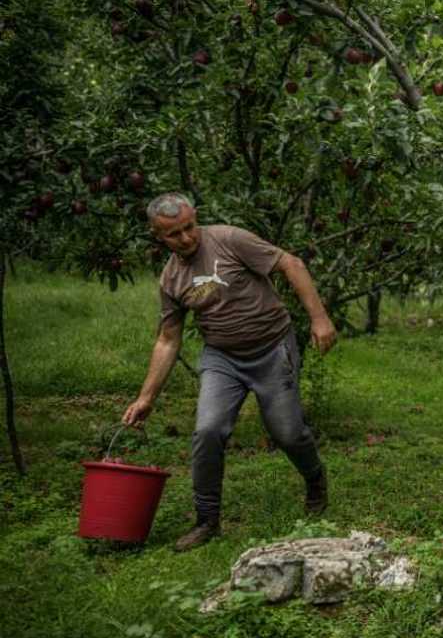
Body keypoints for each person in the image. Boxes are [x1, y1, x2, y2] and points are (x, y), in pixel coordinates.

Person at [121, 193, 338, 552]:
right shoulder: (171, 279)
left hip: (271, 348)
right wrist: (146, 398)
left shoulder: (230, 239)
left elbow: (292, 264)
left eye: (190, 227)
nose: (187, 238)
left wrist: (319, 318)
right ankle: (207, 521)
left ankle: (315, 479)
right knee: (207, 431)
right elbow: (167, 340)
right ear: (158, 236)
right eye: (174, 234)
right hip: (222, 357)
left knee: (286, 431)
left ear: (196, 220)